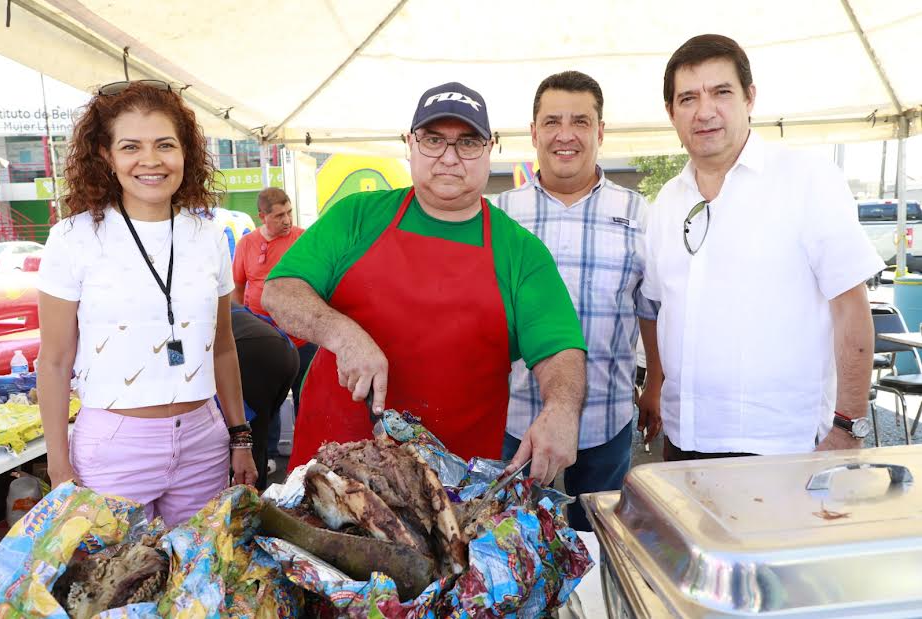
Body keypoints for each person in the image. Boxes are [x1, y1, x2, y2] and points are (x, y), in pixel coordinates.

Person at [263, 82, 587, 485]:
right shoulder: (357, 215)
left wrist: (561, 409)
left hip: (449, 488)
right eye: (434, 140)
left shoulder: (521, 253)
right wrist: (343, 335)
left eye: (468, 143)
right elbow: (279, 290)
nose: (449, 158)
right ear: (409, 144)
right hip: (331, 471)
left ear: (490, 149)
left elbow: (560, 349)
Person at [642, 34, 884, 460]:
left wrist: (848, 426)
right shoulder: (666, 203)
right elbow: (661, 310)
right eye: (688, 98)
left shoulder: (806, 179)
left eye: (721, 92)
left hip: (780, 448)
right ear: (670, 112)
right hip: (684, 444)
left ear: (749, 97)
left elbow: (852, 308)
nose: (705, 111)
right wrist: (655, 388)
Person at [37, 80, 257, 527]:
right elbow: (55, 361)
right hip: (115, 447)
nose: (151, 160)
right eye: (131, 146)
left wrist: (240, 437)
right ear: (106, 155)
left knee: (197, 582)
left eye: (165, 145)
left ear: (185, 153)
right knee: (116, 586)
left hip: (203, 440)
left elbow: (224, 347)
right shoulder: (73, 238)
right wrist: (59, 467)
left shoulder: (209, 234)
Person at [497, 71, 662, 531]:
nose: (565, 134)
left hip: (606, 420)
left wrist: (655, 386)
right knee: (516, 551)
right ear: (533, 133)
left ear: (600, 131)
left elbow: (649, 309)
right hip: (517, 421)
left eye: (580, 121)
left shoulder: (638, 213)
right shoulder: (501, 215)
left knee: (598, 547)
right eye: (551, 122)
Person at [232, 187, 314, 466]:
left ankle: (308, 454)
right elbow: (238, 287)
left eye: (289, 212)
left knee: (307, 398)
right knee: (266, 404)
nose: (287, 220)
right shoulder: (246, 244)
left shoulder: (302, 238)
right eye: (279, 215)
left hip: (302, 337)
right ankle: (268, 455)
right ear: (262, 216)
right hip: (263, 342)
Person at [230, 302, 299, 490]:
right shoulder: (225, 302)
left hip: (251, 350)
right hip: (287, 352)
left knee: (247, 437)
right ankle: (255, 495)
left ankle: (247, 498)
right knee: (258, 433)